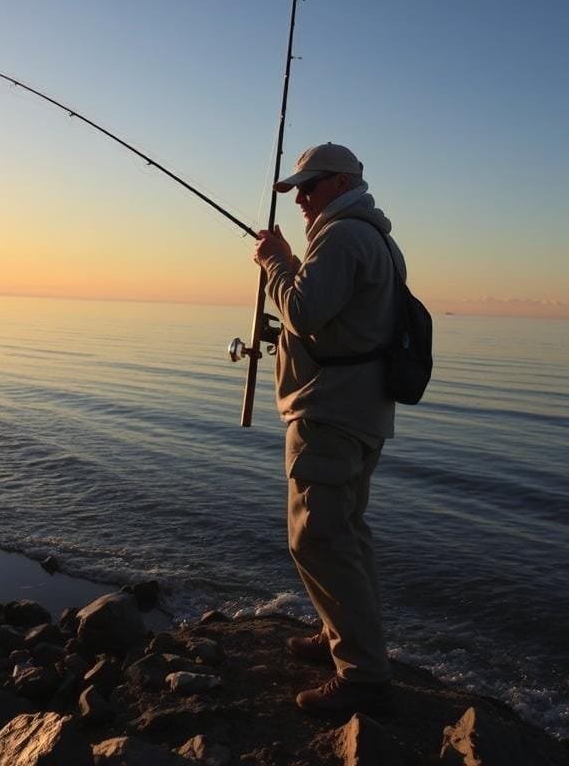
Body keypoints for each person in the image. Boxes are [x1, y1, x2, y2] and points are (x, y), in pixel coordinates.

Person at [252, 142, 405, 717]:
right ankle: (337, 633)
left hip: (332, 413)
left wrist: (275, 261)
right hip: (361, 409)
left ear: (343, 183)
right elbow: (338, 326)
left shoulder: (342, 236)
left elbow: (303, 311)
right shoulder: (378, 237)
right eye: (297, 190)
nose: (302, 200)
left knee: (317, 537)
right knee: (347, 532)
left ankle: (363, 675)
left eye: (311, 187)